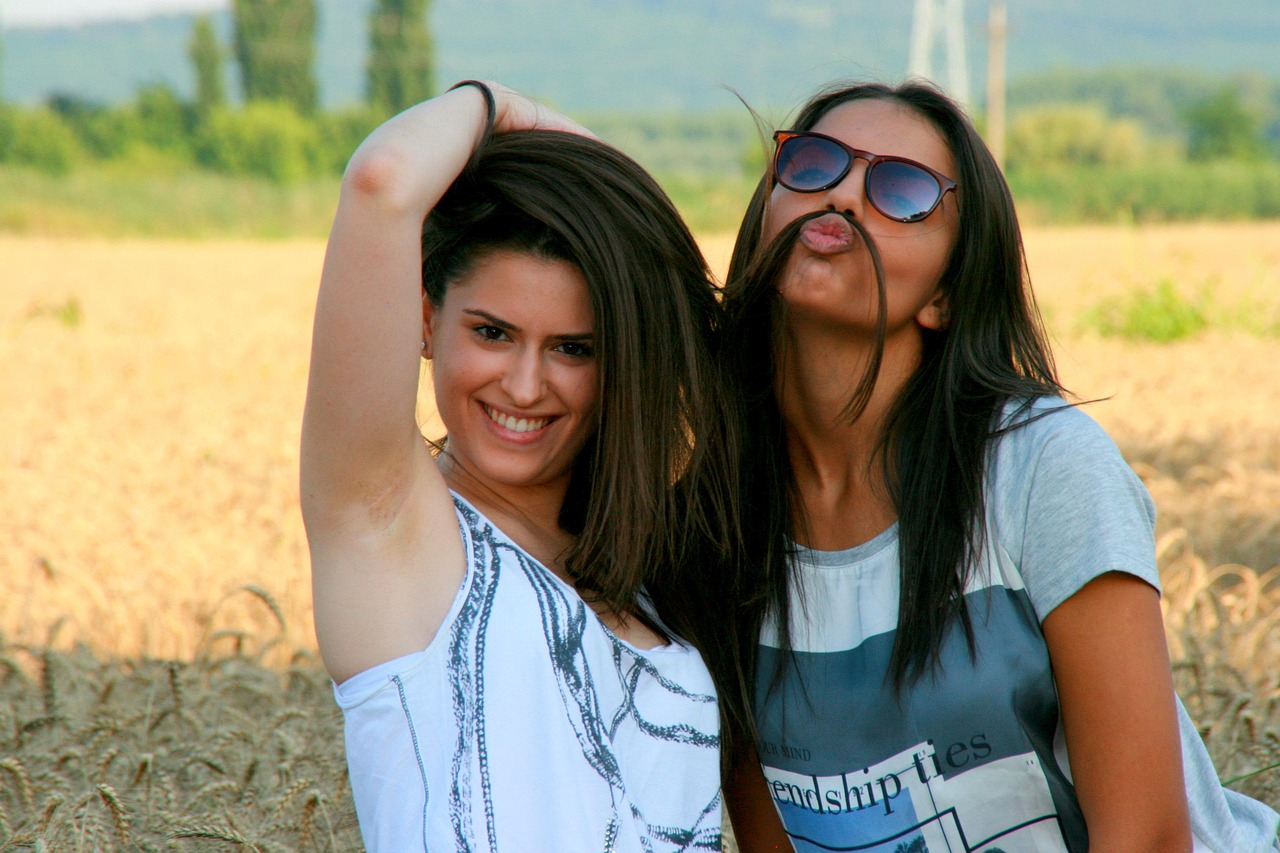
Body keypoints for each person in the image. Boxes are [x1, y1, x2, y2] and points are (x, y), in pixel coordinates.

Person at [712, 80, 1280, 852]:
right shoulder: (712, 522)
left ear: (946, 294)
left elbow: (1146, 838)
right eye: (813, 164)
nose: (842, 195)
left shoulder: (1041, 469)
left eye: (901, 191)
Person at [299, 80, 732, 851]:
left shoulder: (646, 576)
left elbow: (657, 257)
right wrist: (505, 107)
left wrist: (599, 192)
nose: (526, 386)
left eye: (573, 348)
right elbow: (382, 183)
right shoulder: (394, 533)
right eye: (493, 333)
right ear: (425, 319)